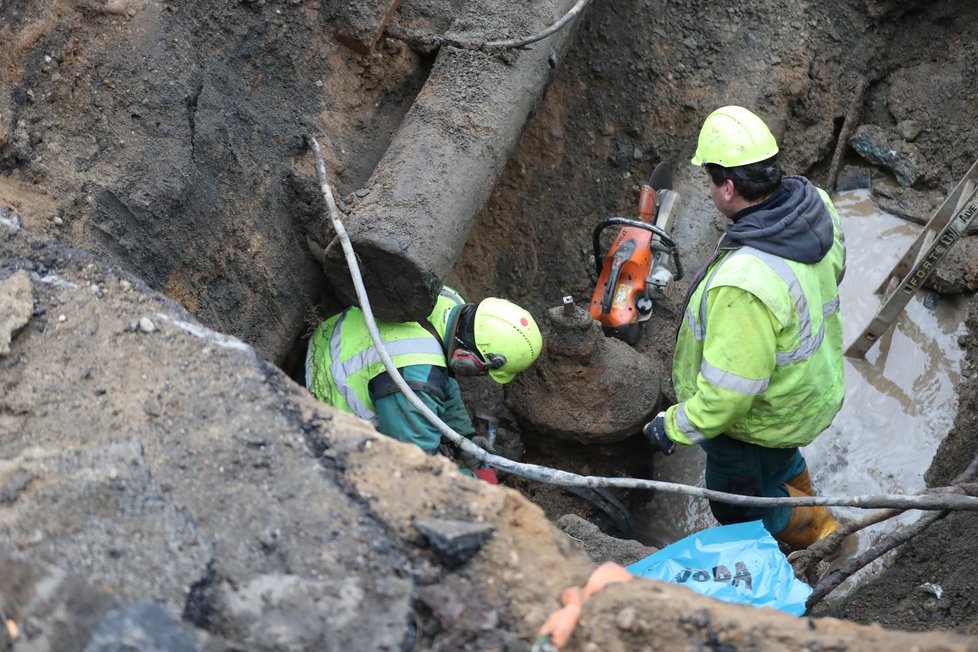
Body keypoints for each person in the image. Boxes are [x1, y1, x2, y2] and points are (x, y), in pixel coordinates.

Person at [642, 105, 846, 551]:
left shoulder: (745, 283)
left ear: (728, 187)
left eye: (711, 180)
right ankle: (816, 512)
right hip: (804, 391)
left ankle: (821, 536)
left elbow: (729, 394)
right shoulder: (817, 206)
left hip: (754, 420)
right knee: (778, 460)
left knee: (736, 504)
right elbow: (834, 276)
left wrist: (673, 425)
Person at [305, 286, 542, 484]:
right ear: (468, 361)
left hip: (328, 346)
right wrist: (474, 484)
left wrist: (464, 437)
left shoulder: (446, 301)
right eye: (481, 372)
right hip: (321, 412)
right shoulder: (413, 381)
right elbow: (416, 473)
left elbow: (442, 381)